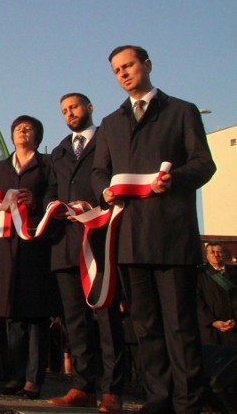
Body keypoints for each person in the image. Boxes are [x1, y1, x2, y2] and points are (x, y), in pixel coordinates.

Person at [92, 45, 216, 413]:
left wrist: (174, 180)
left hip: (172, 238)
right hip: (129, 238)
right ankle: (158, 398)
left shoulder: (181, 111)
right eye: (116, 70)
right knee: (145, 327)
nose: (123, 73)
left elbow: (204, 164)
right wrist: (104, 190)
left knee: (180, 326)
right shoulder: (111, 124)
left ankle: (188, 402)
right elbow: (100, 171)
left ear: (146, 65)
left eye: (128, 65)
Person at [45, 93, 126, 413]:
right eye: (64, 110)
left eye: (75, 107)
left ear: (90, 107)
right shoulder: (60, 151)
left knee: (107, 318)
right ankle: (82, 385)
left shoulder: (107, 140)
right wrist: (55, 207)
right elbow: (50, 190)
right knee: (74, 320)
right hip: (66, 245)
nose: (70, 113)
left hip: (101, 240)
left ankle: (113, 389)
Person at [0, 115, 60, 399]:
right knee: (11, 314)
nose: (22, 131)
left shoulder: (48, 164)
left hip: (36, 245)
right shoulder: (0, 168)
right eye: (17, 127)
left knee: (35, 315)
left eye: (28, 128)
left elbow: (55, 196)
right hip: (7, 247)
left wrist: (38, 204)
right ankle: (15, 375)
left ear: (37, 136)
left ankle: (34, 378)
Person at [197, 242, 236, 347]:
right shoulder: (200, 274)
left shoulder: (234, 272)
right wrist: (213, 322)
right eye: (212, 252)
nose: (216, 255)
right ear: (207, 255)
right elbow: (197, 301)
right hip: (211, 330)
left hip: (234, 326)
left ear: (223, 254)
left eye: (219, 252)